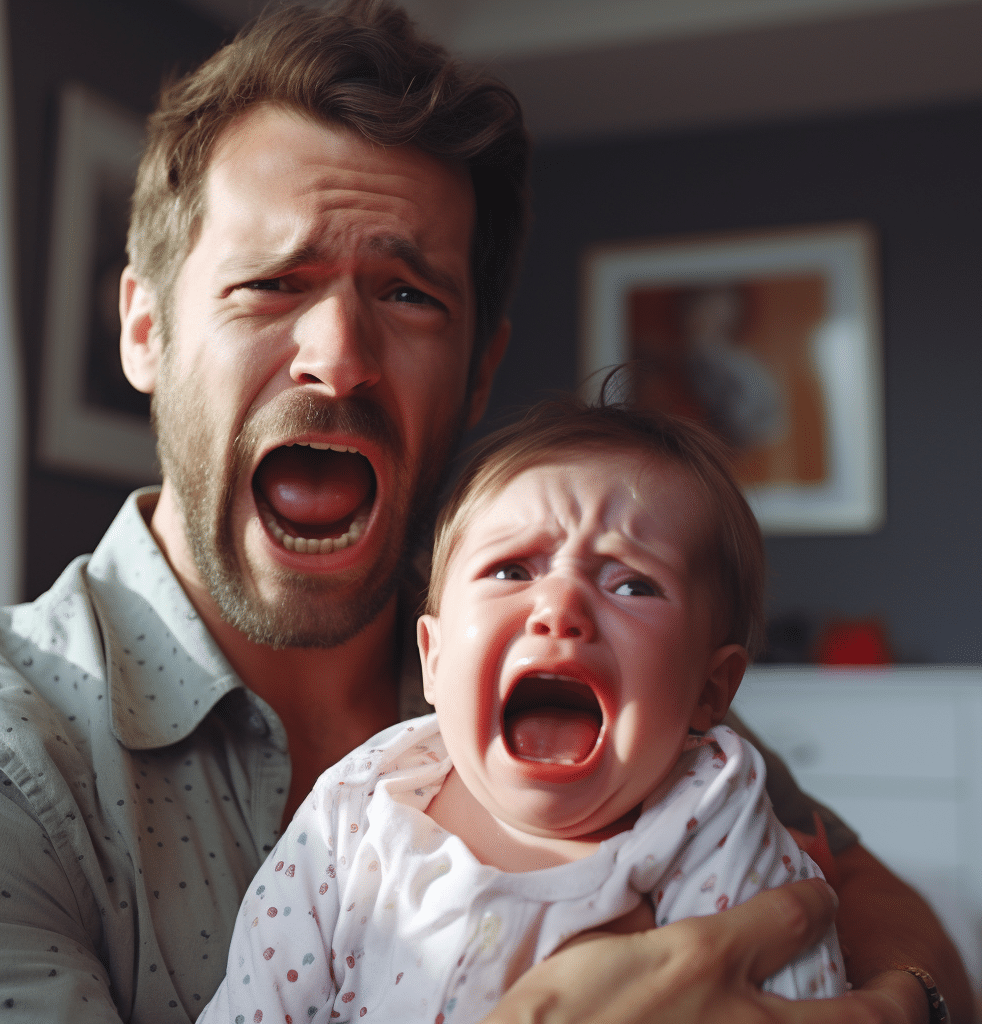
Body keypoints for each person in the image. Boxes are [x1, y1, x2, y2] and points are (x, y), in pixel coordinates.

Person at [0, 2, 972, 1022]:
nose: (338, 354)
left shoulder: (592, 672)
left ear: (478, 373)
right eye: (271, 283)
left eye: (409, 293)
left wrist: (897, 1005)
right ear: (145, 329)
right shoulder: (25, 759)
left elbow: (868, 893)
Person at [197, 399, 847, 1024]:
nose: (560, 607)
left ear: (712, 688)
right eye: (511, 570)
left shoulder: (718, 825)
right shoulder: (357, 812)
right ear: (435, 658)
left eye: (631, 583)